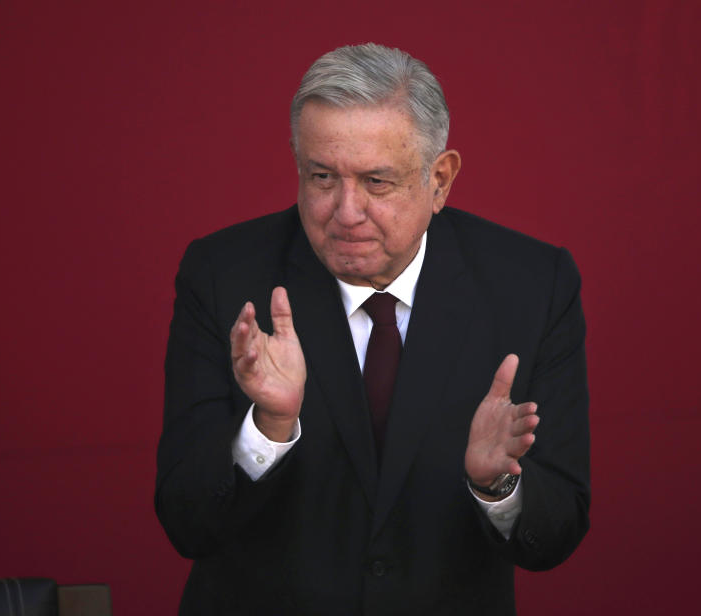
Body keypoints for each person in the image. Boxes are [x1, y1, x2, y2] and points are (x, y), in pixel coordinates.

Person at [156, 43, 589, 615]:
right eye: (322, 176)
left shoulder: (533, 285)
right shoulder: (222, 276)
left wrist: (496, 487)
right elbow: (188, 524)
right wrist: (268, 428)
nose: (346, 211)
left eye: (377, 182)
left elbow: (555, 534)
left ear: (440, 179)